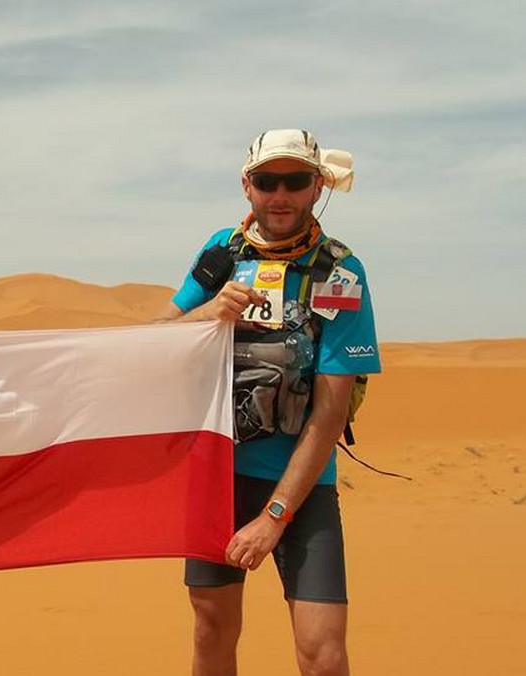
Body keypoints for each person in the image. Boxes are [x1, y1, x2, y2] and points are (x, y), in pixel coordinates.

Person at [154, 129, 380, 676]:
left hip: (302, 489)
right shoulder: (222, 252)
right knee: (212, 635)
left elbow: (330, 414)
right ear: (246, 185)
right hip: (218, 480)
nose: (280, 195)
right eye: (266, 181)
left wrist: (275, 516)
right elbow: (157, 338)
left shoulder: (339, 272)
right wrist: (209, 313)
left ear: (318, 185)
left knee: (321, 654)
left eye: (296, 181)